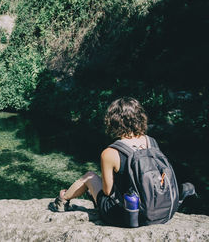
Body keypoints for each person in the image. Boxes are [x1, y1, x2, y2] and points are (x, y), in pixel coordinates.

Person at [49, 97, 196, 226]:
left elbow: (107, 191)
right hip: (161, 213)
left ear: (113, 121)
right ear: (140, 117)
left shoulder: (110, 153)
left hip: (128, 216)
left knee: (89, 176)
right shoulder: (151, 142)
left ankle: (62, 199)